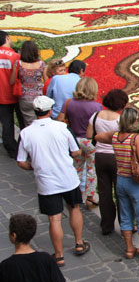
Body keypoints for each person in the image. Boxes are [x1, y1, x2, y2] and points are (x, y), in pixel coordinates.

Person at [17, 96, 90, 267]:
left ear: (35, 112)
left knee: (54, 219)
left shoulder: (25, 133)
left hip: (45, 181)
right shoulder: (62, 127)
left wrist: (34, 167)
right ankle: (79, 243)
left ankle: (59, 255)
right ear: (50, 111)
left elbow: (21, 161)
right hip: (67, 177)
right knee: (75, 209)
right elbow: (76, 152)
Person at [95, 108, 139, 261]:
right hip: (135, 182)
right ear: (134, 121)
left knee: (125, 216)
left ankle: (129, 249)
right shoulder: (136, 138)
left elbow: (98, 137)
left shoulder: (116, 136)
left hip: (121, 180)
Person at [86, 89, 127, 235]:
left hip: (100, 156)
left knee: (104, 192)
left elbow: (89, 135)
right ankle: (125, 226)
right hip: (117, 157)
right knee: (120, 192)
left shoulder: (96, 116)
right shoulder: (120, 120)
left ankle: (107, 225)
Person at [57, 77, 102, 208]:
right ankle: (90, 197)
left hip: (74, 140)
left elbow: (60, 120)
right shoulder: (96, 106)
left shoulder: (69, 103)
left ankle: (75, 194)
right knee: (91, 169)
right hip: (89, 141)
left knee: (77, 167)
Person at [9, 40, 46, 127]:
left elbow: (12, 81)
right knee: (41, 122)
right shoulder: (41, 64)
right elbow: (46, 80)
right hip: (39, 97)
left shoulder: (18, 64)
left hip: (24, 97)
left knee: (29, 124)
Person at [0, 31, 23, 159]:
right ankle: (22, 147)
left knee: (7, 124)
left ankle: (11, 149)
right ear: (7, 38)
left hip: (1, 96)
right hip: (16, 94)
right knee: (22, 122)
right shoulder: (15, 56)